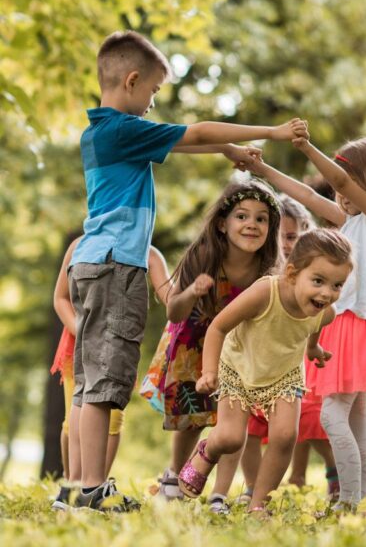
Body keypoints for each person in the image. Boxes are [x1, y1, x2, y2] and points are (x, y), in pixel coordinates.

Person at [66, 29, 308, 512]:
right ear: (132, 81)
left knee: (92, 382)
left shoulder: (101, 133)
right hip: (117, 266)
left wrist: (226, 153)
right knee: (107, 384)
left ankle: (79, 487)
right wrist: (272, 133)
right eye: (154, 91)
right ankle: (91, 489)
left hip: (92, 263)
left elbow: (186, 143)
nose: (154, 103)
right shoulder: (121, 129)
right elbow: (194, 132)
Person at [250, 135, 366, 509]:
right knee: (357, 419)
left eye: (349, 181)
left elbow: (339, 182)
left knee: (331, 413)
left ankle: (349, 501)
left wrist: (306, 147)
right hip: (352, 326)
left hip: (353, 325)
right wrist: (261, 170)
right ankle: (358, 499)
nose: (340, 191)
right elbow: (308, 197)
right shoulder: (353, 221)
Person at [177, 229, 354, 516]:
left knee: (285, 436)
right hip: (239, 367)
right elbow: (218, 327)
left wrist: (313, 349)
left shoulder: (326, 311)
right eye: (318, 281)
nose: (327, 293)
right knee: (232, 438)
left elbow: (315, 327)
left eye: (337, 285)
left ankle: (258, 503)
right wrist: (209, 371)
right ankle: (207, 450)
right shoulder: (265, 292)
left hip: (284, 375)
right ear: (293, 274)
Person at [140, 177, 282, 514]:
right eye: (242, 216)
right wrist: (191, 292)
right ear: (222, 223)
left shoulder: (267, 269)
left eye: (261, 218)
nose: (252, 224)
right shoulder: (204, 255)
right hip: (193, 341)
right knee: (192, 417)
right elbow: (174, 310)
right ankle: (174, 476)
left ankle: (219, 494)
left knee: (233, 420)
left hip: (238, 348)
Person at [50, 237, 170, 510]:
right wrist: (84, 334)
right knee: (74, 420)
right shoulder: (80, 245)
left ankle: (96, 486)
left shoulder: (146, 252)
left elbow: (170, 294)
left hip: (116, 347)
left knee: (112, 418)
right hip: (77, 348)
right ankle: (72, 485)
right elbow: (60, 298)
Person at [238, 196, 341, 504]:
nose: (284, 243)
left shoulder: (313, 277)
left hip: (296, 362)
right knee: (252, 427)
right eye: (280, 235)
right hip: (257, 362)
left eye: (293, 236)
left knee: (308, 422)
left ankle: (333, 471)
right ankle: (254, 487)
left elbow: (322, 315)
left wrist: (313, 346)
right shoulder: (261, 272)